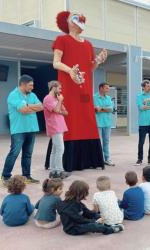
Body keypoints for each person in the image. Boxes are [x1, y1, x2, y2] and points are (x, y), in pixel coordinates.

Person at [51, 11, 108, 171]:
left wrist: (98, 60)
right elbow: (56, 63)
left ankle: (90, 160)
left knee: (87, 120)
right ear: (68, 22)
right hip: (68, 88)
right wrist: (71, 71)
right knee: (70, 120)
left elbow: (90, 68)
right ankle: (65, 163)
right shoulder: (61, 39)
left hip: (84, 89)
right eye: (75, 17)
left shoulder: (88, 44)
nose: (81, 18)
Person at [1, 75, 42, 185]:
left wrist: (28, 106)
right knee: (14, 153)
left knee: (28, 154)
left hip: (31, 128)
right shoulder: (13, 95)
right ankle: (5, 176)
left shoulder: (32, 95)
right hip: (19, 129)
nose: (32, 87)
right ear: (23, 84)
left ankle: (26, 176)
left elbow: (41, 106)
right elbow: (23, 110)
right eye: (30, 85)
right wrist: (31, 107)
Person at [57, 180, 123, 235]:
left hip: (79, 220)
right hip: (73, 228)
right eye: (86, 192)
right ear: (81, 193)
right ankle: (109, 230)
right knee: (92, 226)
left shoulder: (77, 202)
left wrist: (98, 216)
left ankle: (104, 223)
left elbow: (87, 212)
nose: (87, 193)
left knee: (94, 215)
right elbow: (79, 220)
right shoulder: (70, 207)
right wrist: (94, 221)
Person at [43, 80, 71, 179]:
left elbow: (65, 112)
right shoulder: (48, 99)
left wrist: (59, 106)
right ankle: (59, 171)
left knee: (55, 149)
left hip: (60, 126)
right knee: (60, 149)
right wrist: (60, 102)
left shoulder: (56, 98)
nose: (60, 90)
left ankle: (53, 171)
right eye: (59, 88)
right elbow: (56, 110)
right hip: (54, 126)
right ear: (53, 88)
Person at [94, 82, 115, 166]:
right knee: (98, 142)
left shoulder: (108, 98)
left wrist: (101, 108)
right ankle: (99, 159)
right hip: (98, 123)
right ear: (101, 88)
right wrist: (105, 109)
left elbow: (111, 109)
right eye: (106, 88)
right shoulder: (94, 97)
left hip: (107, 123)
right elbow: (96, 109)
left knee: (106, 141)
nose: (108, 89)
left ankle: (107, 159)